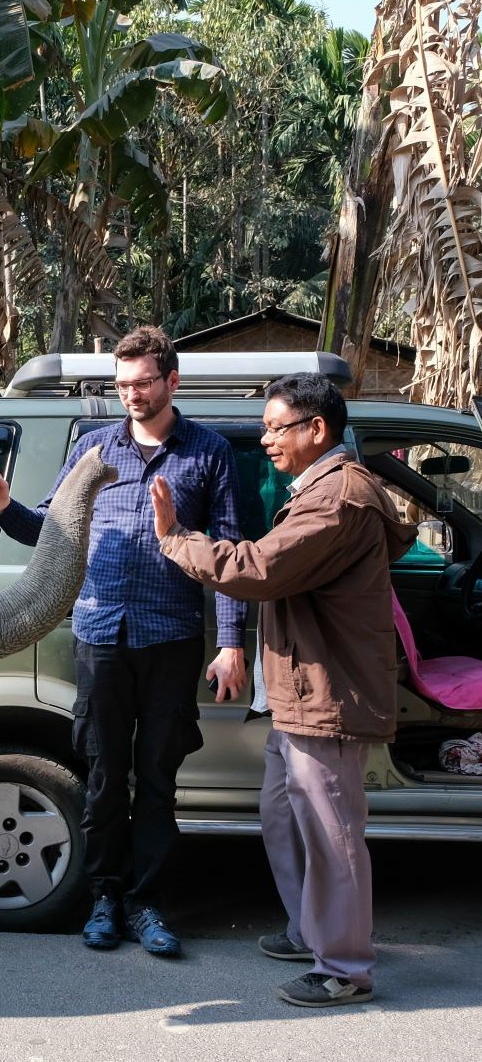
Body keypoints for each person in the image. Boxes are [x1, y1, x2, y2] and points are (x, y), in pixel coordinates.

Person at [0, 326, 246, 957]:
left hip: (172, 637)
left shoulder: (208, 454)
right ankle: (103, 897)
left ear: (172, 381)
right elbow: (51, 532)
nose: (131, 395)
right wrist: (4, 507)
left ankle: (147, 903)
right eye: (122, 385)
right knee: (101, 775)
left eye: (143, 383)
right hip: (99, 635)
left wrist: (230, 643)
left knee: (156, 777)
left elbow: (230, 556)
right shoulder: (95, 451)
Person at [150, 372, 416, 1007]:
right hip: (295, 692)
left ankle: (345, 967)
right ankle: (311, 931)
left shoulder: (338, 500)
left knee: (331, 832)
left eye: (275, 427)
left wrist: (176, 539)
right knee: (282, 813)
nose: (265, 439)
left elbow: (260, 568)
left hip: (324, 692)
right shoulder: (324, 491)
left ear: (316, 429)